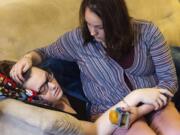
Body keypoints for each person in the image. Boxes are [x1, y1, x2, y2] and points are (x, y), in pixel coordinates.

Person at [10, 0, 180, 134]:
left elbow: (169, 81)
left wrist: (141, 110)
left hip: (155, 103)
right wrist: (28, 57)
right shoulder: (78, 40)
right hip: (111, 112)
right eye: (88, 24)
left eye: (99, 27)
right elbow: (45, 52)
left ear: (118, 22)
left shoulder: (148, 33)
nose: (92, 32)